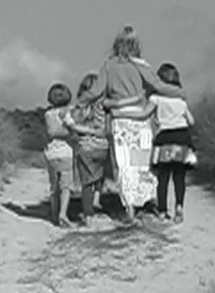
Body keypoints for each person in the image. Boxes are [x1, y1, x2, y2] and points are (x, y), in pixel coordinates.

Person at [77, 25, 186, 224]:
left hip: (120, 122)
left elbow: (96, 91)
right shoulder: (141, 65)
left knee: (124, 166)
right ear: (137, 44)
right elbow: (159, 86)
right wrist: (179, 94)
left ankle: (129, 210)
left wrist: (78, 104)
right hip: (141, 120)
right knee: (141, 166)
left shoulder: (108, 65)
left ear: (117, 43)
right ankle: (143, 203)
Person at [148, 63, 196, 223]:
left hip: (165, 139)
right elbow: (191, 121)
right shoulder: (180, 99)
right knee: (179, 177)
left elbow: (148, 115)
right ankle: (179, 207)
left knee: (163, 178)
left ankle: (162, 211)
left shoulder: (156, 98)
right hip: (182, 137)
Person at [63, 72, 110, 221]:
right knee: (99, 176)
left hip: (85, 148)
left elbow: (68, 123)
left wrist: (84, 130)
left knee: (86, 183)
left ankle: (88, 214)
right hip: (102, 147)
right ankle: (97, 199)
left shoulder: (77, 108)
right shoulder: (105, 106)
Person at [43, 82, 76, 227]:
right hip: (66, 153)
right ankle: (63, 213)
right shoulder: (69, 112)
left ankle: (54, 214)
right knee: (66, 187)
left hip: (51, 153)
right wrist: (71, 134)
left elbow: (50, 132)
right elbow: (63, 132)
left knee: (54, 187)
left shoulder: (48, 114)